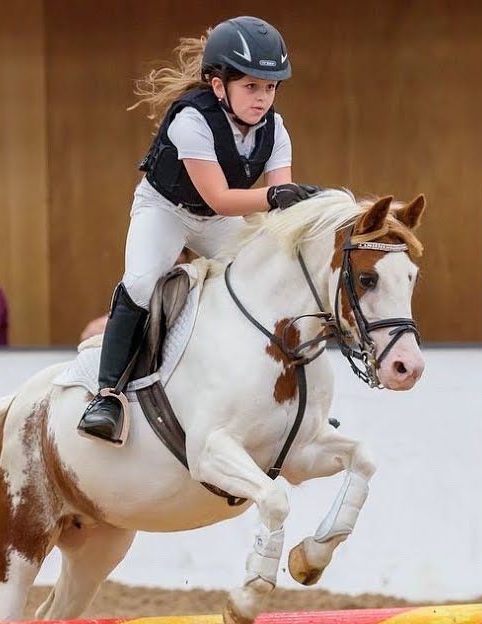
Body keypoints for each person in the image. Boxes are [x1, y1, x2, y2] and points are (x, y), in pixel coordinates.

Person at [76, 15, 321, 444]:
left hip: (218, 222)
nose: (262, 98)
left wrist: (306, 205)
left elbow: (279, 203)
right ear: (218, 85)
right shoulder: (190, 121)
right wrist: (278, 197)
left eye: (269, 87)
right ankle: (107, 394)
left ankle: (281, 397)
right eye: (250, 87)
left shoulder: (276, 129)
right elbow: (222, 198)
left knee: (266, 278)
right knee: (140, 282)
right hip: (166, 211)